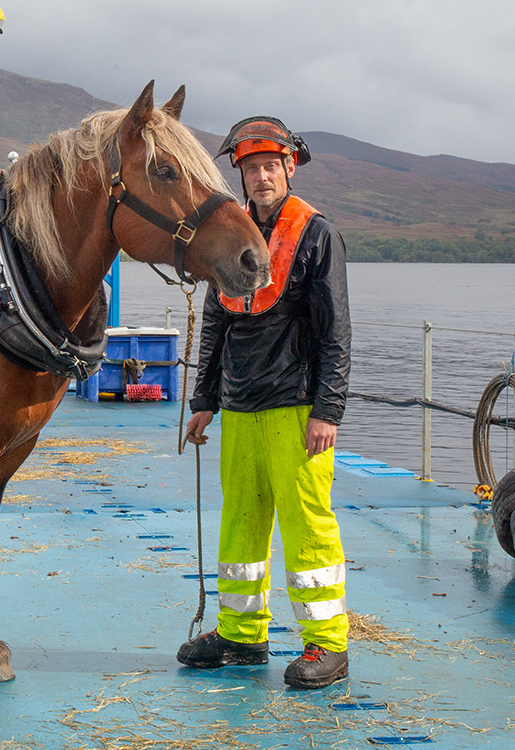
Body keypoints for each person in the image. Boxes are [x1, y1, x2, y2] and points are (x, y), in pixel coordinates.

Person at [176, 116, 352, 690]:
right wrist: (203, 400)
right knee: (241, 525)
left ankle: (327, 646)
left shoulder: (318, 235)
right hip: (240, 407)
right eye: (250, 170)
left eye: (269, 167)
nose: (260, 178)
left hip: (298, 408)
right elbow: (215, 326)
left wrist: (328, 409)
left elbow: (335, 331)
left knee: (308, 527)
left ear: (289, 168)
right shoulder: (232, 234)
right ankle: (241, 635)